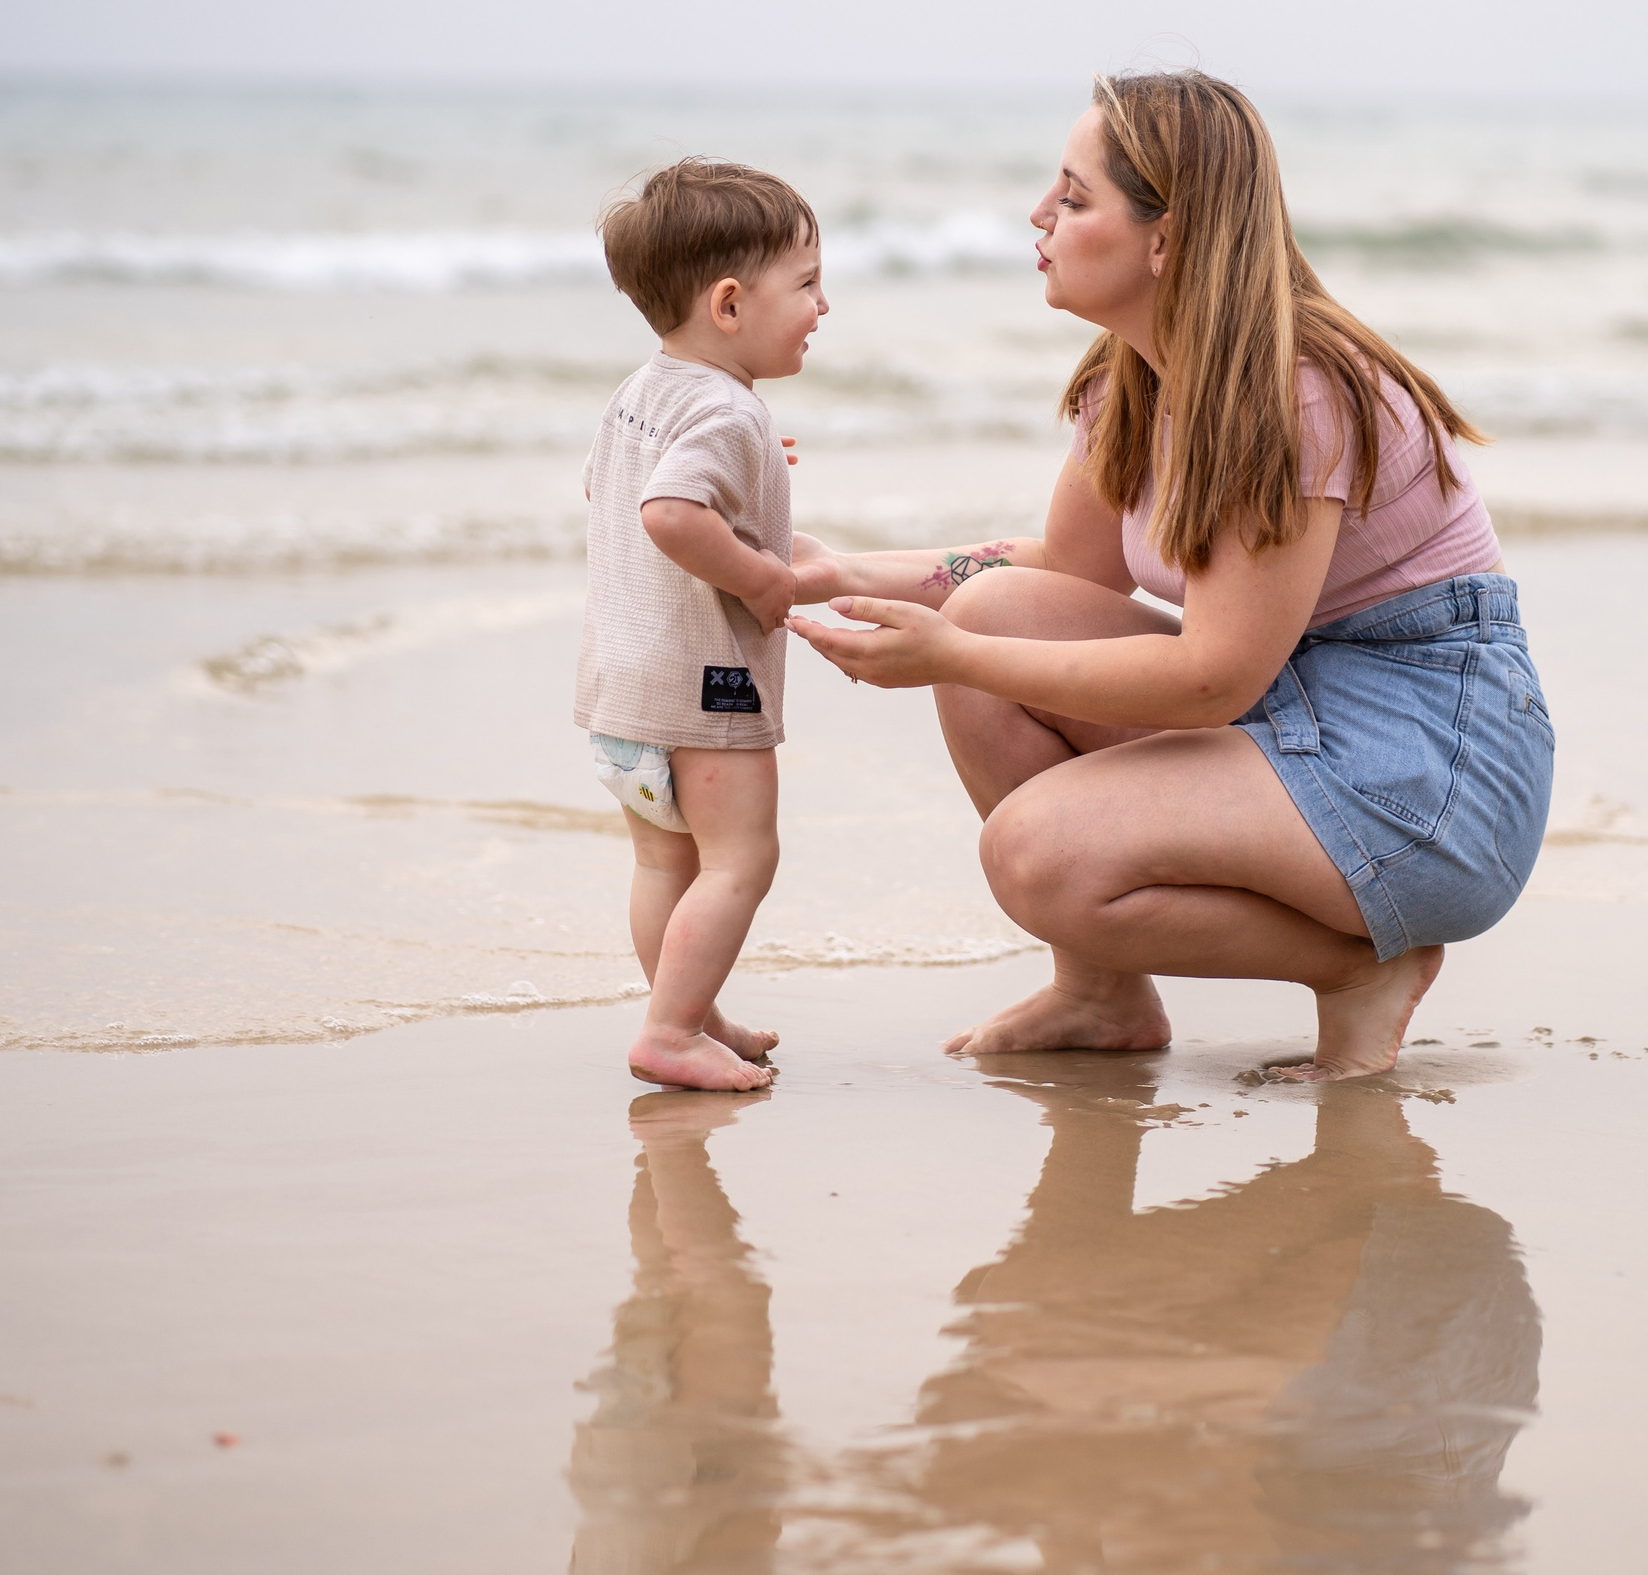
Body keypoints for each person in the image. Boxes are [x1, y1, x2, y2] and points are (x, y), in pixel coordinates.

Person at [790, 72, 1553, 1080]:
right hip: (1301, 703)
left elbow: (1211, 679)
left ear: (1165, 239)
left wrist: (958, 655)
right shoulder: (1135, 378)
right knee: (998, 615)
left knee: (1033, 848)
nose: (1037, 216)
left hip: (1431, 763)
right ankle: (1099, 995)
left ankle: (1359, 969)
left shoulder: (1293, 389)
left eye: (1072, 198)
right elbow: (1063, 572)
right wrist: (837, 571)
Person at [576, 158, 826, 1091]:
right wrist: (763, 576)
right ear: (729, 306)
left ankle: (687, 1010)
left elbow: (612, 489)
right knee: (740, 858)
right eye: (806, 284)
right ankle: (671, 1032)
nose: (823, 305)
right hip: (704, 691)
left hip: (620, 692)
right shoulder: (726, 411)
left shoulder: (643, 392)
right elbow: (671, 514)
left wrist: (754, 464)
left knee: (664, 865)